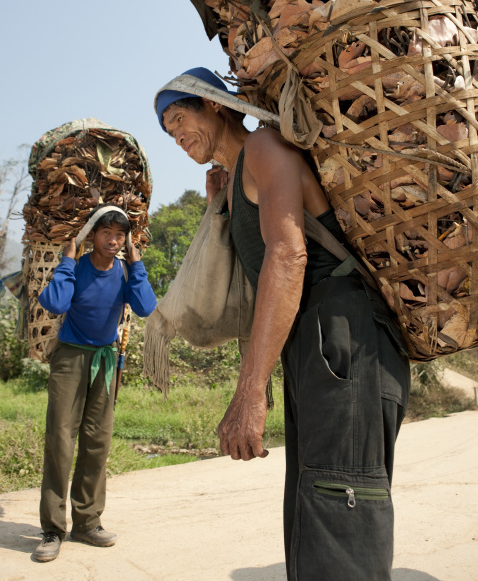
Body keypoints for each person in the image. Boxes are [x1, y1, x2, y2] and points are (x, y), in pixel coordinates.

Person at [154, 67, 411, 581]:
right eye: (168, 129)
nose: (177, 134)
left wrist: (251, 390)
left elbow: (289, 257)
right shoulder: (233, 183)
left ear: (216, 104)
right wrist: (218, 208)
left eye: (181, 116)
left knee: (342, 506)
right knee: (314, 506)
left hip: (344, 338)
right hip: (314, 345)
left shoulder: (266, 148)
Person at [34, 205, 156, 563]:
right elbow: (54, 302)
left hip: (105, 360)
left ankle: (87, 523)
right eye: (107, 233)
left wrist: (137, 266)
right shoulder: (79, 267)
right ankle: (52, 530)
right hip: (71, 358)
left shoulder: (123, 270)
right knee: (59, 440)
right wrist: (69, 260)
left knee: (97, 443)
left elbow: (146, 306)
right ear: (93, 235)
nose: (114, 241)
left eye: (120, 235)